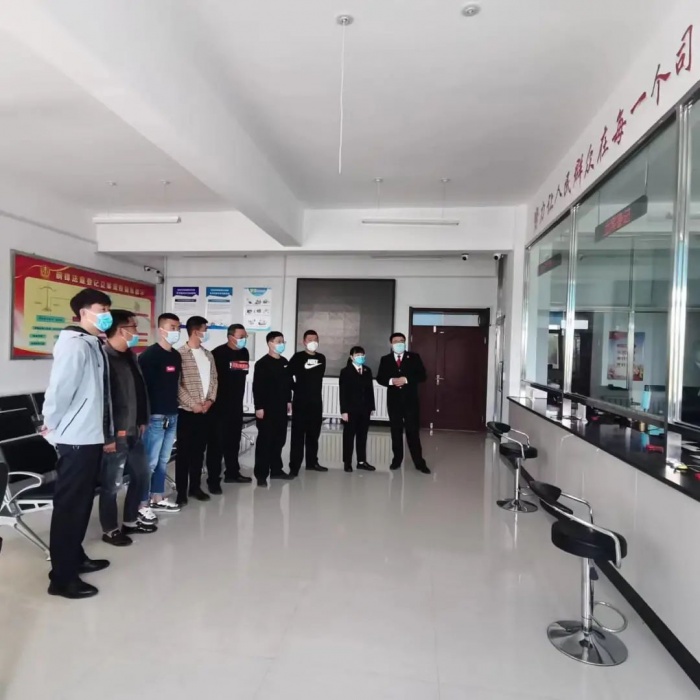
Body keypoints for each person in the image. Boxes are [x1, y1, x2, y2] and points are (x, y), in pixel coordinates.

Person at [42, 288, 113, 599]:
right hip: (75, 439)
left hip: (90, 436)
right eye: (102, 308)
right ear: (84, 312)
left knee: (82, 504)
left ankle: (75, 557)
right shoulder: (74, 345)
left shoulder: (91, 343)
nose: (106, 314)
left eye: (108, 308)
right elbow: (59, 390)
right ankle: (62, 578)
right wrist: (51, 424)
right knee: (70, 507)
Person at [100, 310, 157, 546]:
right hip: (116, 433)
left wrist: (143, 418)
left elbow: (139, 391)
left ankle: (130, 521)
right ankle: (110, 529)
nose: (136, 331)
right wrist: (108, 436)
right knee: (111, 484)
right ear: (121, 330)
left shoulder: (130, 356)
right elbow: (103, 401)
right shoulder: (104, 358)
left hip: (135, 429)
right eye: (133, 327)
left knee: (142, 474)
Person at [139, 313, 183, 513]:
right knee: (150, 461)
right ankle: (142, 502)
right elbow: (142, 389)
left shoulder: (175, 355)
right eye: (172, 327)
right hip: (155, 416)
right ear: (161, 329)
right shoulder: (149, 356)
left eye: (178, 327)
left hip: (172, 413)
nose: (176, 331)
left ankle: (157, 496)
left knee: (163, 460)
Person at [176, 316, 218, 504]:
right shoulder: (180, 354)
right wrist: (192, 404)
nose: (206, 333)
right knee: (184, 453)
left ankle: (195, 487)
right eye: (205, 330)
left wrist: (210, 400)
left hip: (205, 411)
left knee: (199, 452)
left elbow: (214, 379)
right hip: (187, 411)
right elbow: (177, 385)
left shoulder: (208, 355)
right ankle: (181, 492)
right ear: (195, 331)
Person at [207, 323, 253, 493]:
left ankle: (232, 473)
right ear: (230, 337)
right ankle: (213, 479)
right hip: (219, 407)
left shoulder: (244, 352)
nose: (244, 339)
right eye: (241, 337)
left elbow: (241, 375)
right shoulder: (217, 354)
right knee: (216, 444)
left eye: (245, 336)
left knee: (233, 441)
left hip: (236, 405)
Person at [377, 332, 430, 474]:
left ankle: (419, 462)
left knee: (413, 431)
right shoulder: (385, 359)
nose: (399, 343)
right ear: (391, 344)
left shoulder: (414, 357)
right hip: (394, 402)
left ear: (405, 342)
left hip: (410, 401)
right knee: (396, 431)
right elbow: (380, 378)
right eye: (396, 341)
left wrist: (406, 379)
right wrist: (391, 381)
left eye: (401, 341)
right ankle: (397, 460)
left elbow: (422, 375)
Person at [253, 331, 293, 486]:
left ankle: (276, 470)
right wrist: (259, 407)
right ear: (270, 343)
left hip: (281, 408)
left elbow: (288, 383)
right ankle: (261, 475)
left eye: (283, 341)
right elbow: (257, 387)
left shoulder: (284, 362)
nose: (282, 344)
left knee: (279, 440)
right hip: (266, 409)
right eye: (278, 341)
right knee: (265, 441)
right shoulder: (262, 364)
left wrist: (289, 400)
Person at [288, 329, 328, 476]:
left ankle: (312, 462)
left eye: (315, 339)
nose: (313, 342)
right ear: (304, 342)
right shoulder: (298, 357)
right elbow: (288, 375)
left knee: (314, 434)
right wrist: (296, 388)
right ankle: (294, 466)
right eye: (310, 340)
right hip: (300, 402)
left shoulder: (321, 358)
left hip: (316, 402)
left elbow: (317, 376)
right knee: (298, 435)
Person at [339, 346, 376, 473]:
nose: (360, 357)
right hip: (351, 410)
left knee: (362, 435)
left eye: (362, 355)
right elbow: (343, 392)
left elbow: (370, 390)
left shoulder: (367, 370)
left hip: (365, 409)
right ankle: (347, 462)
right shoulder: (345, 371)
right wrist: (344, 411)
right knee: (349, 436)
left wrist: (371, 407)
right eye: (357, 355)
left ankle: (361, 461)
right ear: (351, 357)